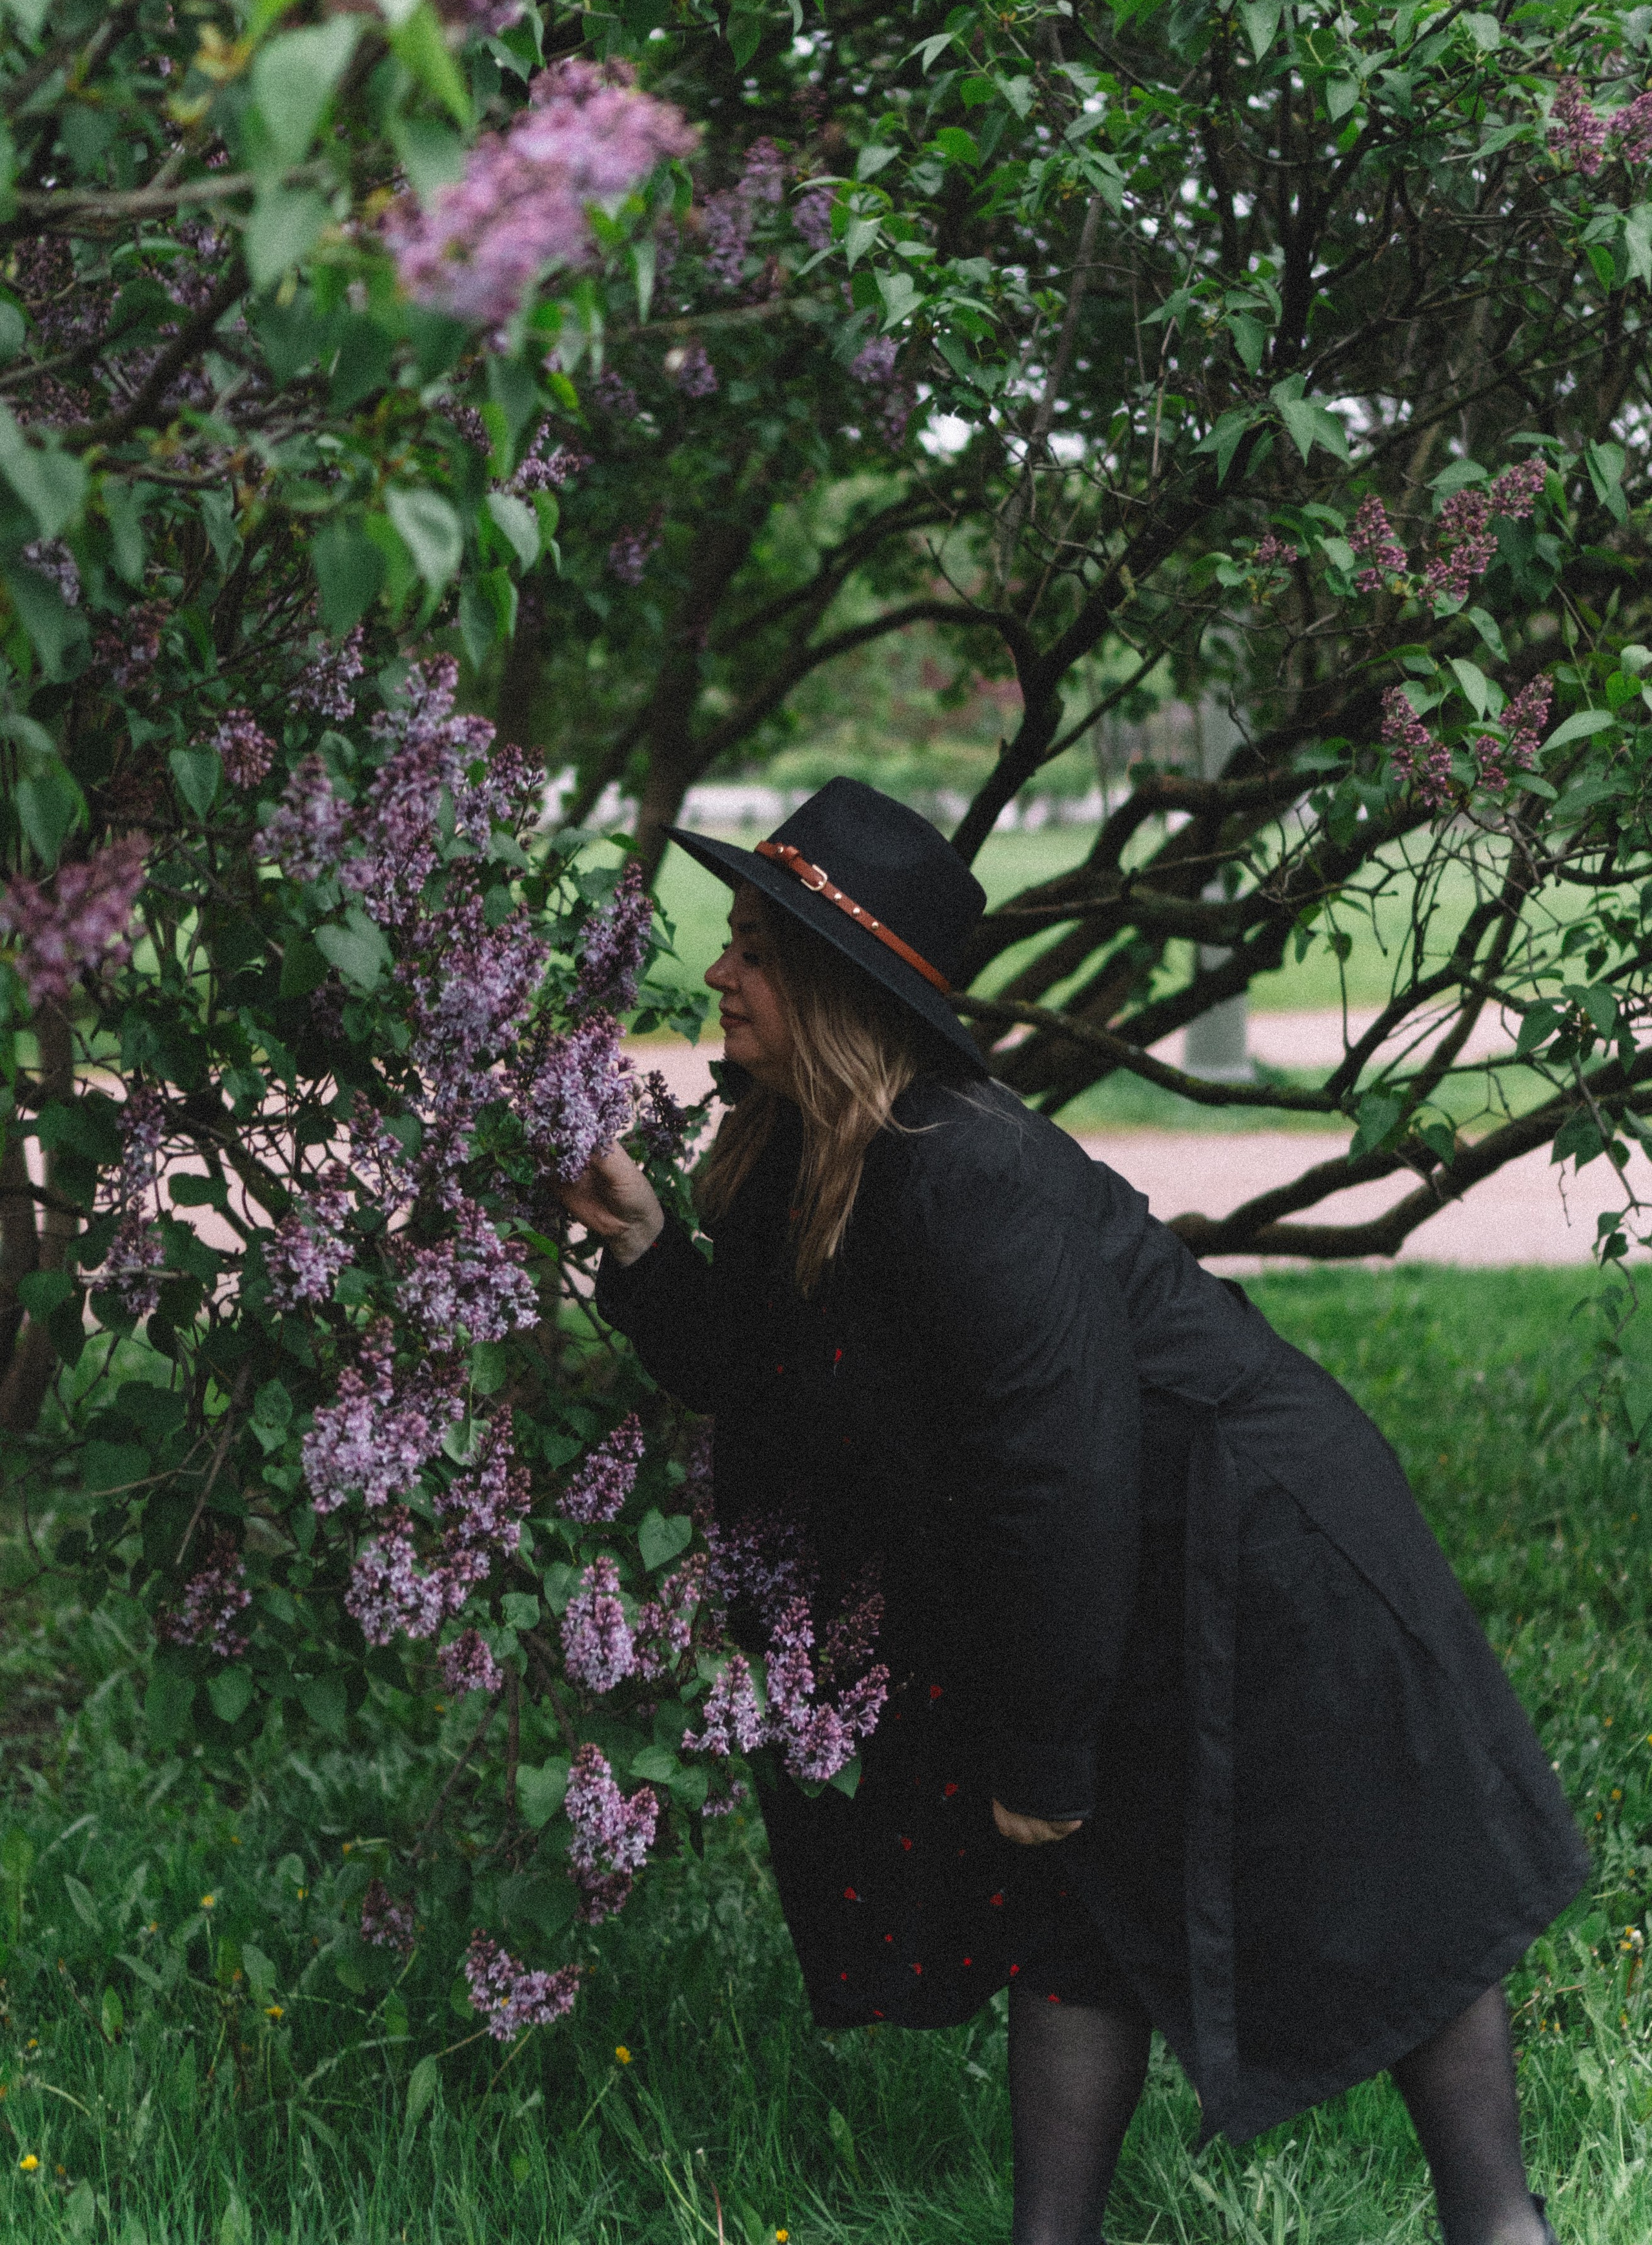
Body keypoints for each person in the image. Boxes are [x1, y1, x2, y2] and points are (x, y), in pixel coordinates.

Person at [561, 778, 1586, 2245]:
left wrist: (1041, 1749)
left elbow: (1060, 1471)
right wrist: (655, 1242)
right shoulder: (811, 1152)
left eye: (754, 947)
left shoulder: (965, 1176)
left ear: (834, 987)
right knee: (1074, 1899)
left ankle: (1498, 2225)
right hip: (1113, 1551)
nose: (719, 969)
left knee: (1377, 1870)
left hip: (1257, 1536)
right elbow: (769, 1374)